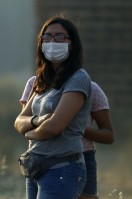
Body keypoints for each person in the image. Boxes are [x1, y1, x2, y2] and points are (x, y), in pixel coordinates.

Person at [14, 16, 93, 199]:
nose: (52, 41)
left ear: (71, 44)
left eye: (60, 37)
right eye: (47, 37)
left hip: (62, 168)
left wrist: (29, 132)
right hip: (36, 165)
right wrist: (38, 120)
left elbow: (54, 128)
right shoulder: (42, 79)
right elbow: (19, 121)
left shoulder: (78, 78)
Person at [20, 78, 114, 199]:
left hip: (81, 156)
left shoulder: (91, 88)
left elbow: (108, 136)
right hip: (39, 156)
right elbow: (24, 124)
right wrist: (45, 123)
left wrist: (73, 126)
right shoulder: (36, 84)